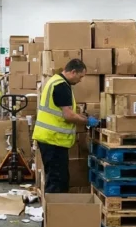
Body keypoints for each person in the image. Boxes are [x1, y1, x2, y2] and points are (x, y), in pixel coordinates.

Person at [32, 59, 97, 193]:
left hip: (50, 139)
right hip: (53, 140)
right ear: (73, 72)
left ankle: (55, 205)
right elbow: (68, 115)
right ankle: (56, 206)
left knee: (57, 177)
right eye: (80, 76)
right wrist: (87, 121)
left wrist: (82, 117)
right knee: (57, 180)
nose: (80, 80)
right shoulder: (61, 86)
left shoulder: (55, 81)